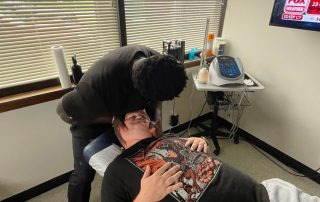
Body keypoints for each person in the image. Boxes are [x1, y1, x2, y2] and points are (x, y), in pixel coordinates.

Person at [56, 45, 188, 202]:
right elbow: (63, 112)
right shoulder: (96, 86)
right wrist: (114, 119)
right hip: (89, 118)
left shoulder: (160, 66)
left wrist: (156, 121)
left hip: (122, 112)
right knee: (83, 174)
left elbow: (156, 100)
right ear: (138, 90)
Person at [102, 110, 320, 202]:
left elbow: (196, 150)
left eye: (144, 115)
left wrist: (199, 140)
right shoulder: (115, 171)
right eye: (133, 117)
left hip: (264, 195)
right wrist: (144, 198)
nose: (142, 115)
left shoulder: (168, 137)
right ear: (120, 131)